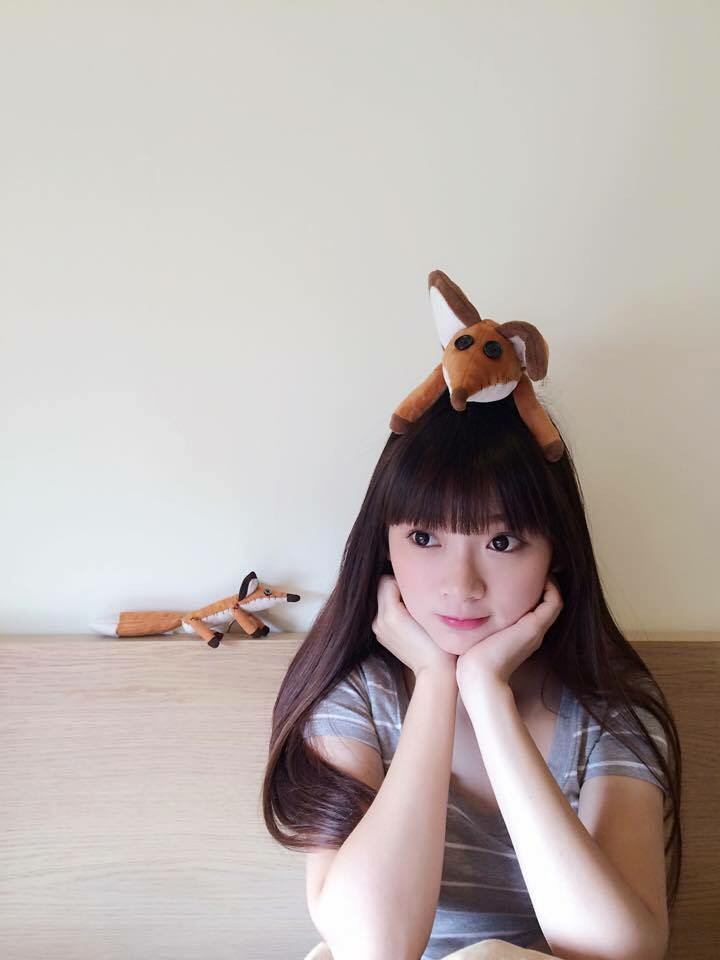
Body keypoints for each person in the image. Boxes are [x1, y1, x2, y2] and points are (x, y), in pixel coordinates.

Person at [262, 388, 681, 960]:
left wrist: (486, 694)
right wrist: (436, 684)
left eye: (502, 542)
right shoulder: (357, 700)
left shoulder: (607, 713)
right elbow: (369, 947)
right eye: (424, 538)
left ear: (556, 552)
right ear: (385, 545)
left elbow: (620, 952)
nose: (461, 585)